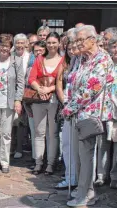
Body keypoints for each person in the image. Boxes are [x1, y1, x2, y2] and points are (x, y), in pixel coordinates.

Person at [63, 25, 114, 207]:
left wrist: (69, 108)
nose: (77, 44)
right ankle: (86, 191)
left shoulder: (102, 59)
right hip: (79, 113)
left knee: (86, 156)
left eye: (80, 40)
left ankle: (85, 195)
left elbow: (91, 89)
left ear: (92, 39)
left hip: (91, 115)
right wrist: (69, 104)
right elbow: (72, 80)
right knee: (81, 156)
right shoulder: (82, 59)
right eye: (75, 40)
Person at [0, 36, 24, 173]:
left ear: (11, 47)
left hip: (9, 102)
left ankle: (5, 161)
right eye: (2, 45)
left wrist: (18, 100)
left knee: (6, 133)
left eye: (7, 46)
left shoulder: (16, 62)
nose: (4, 48)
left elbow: (20, 83)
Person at [28, 32, 63, 175]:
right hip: (38, 100)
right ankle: (38, 162)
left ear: (59, 43)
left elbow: (62, 81)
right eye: (49, 43)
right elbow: (31, 78)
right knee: (38, 132)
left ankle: (50, 163)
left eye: (54, 42)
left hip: (54, 100)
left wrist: (50, 88)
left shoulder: (62, 60)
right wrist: (40, 89)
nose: (51, 45)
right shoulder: (39, 59)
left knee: (52, 133)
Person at [55, 32, 79, 189]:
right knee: (66, 144)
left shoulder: (81, 62)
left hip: (79, 109)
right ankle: (71, 176)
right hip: (67, 107)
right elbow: (60, 84)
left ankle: (78, 178)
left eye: (73, 47)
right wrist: (65, 102)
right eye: (68, 48)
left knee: (78, 148)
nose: (71, 51)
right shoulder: (66, 63)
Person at [108, 37, 117, 189]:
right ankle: (113, 176)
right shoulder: (108, 65)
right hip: (111, 110)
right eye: (114, 47)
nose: (116, 50)